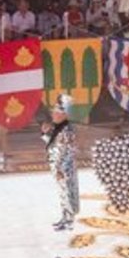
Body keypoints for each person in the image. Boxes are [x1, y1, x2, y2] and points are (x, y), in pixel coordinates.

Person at [41, 93, 79, 231]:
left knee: (67, 193)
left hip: (64, 170)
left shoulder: (67, 130)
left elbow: (69, 152)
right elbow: (53, 145)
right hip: (57, 167)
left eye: (56, 113)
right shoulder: (59, 129)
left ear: (63, 115)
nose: (53, 115)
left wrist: (61, 169)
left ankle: (69, 220)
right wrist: (45, 133)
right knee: (63, 194)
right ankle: (65, 217)